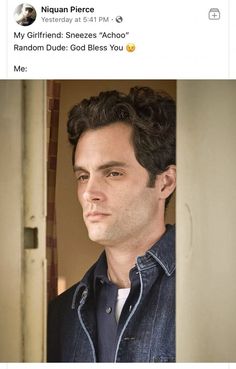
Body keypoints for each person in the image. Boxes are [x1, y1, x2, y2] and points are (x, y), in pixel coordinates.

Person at [47, 86, 176, 362]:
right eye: (83, 176)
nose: (89, 192)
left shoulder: (215, 296)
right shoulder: (58, 317)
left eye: (113, 172)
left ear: (164, 182)